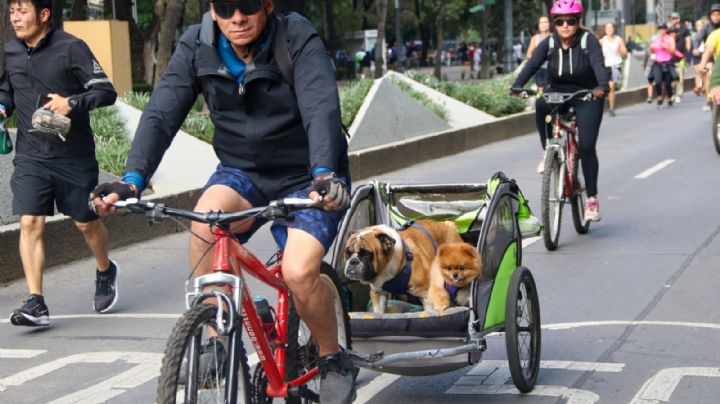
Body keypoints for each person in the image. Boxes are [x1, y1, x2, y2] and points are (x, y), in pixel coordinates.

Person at [89, 1, 356, 402]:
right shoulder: (198, 44)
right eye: (225, 7)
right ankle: (215, 339)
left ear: (267, 4)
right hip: (242, 170)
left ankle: (333, 357)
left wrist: (323, 173)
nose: (237, 18)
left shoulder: (294, 36)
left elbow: (320, 106)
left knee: (299, 272)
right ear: (213, 10)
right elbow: (161, 114)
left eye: (247, 5)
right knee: (205, 224)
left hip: (308, 175)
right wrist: (132, 181)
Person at [0, 0, 118, 327]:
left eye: (22, 11)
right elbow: (6, 92)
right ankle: (36, 303)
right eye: (12, 12)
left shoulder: (72, 48)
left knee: (85, 223)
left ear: (44, 14)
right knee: (29, 223)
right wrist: (1, 107)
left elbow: (106, 92)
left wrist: (73, 102)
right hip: (30, 156)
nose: (15, 18)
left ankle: (106, 270)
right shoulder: (10, 51)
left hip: (73, 156)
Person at [511, 0, 608, 222]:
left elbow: (598, 65)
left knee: (586, 145)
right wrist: (517, 85)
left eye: (570, 21)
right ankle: (548, 150)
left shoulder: (588, 41)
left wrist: (601, 87)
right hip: (558, 93)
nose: (565, 25)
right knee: (541, 103)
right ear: (554, 23)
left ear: (578, 22)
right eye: (560, 21)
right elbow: (532, 65)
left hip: (587, 95)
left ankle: (592, 198)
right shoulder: (549, 43)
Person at [600, 22, 627, 116]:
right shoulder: (602, 41)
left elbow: (625, 54)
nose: (609, 29)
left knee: (611, 86)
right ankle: (607, 105)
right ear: (605, 30)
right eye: (607, 28)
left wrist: (622, 51)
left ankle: (611, 108)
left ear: (614, 29)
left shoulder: (618, 39)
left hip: (615, 65)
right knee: (606, 88)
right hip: (605, 66)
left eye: (611, 27)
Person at [650, 23, 676, 108]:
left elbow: (673, 51)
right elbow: (653, 52)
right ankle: (660, 98)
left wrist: (666, 47)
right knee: (658, 81)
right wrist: (651, 49)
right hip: (658, 63)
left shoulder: (670, 38)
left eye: (663, 29)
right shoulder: (656, 39)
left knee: (667, 83)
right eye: (660, 29)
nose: (661, 30)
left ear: (666, 30)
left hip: (667, 63)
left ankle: (670, 97)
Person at [670, 12, 691, 103]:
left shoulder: (684, 29)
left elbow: (688, 42)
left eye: (675, 18)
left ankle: (679, 94)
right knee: (671, 77)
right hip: (670, 57)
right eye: (672, 18)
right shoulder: (669, 30)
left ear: (678, 19)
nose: (673, 20)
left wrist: (687, 55)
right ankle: (673, 93)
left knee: (680, 75)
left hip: (681, 57)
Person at [526, 16, 552, 90]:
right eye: (541, 22)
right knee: (541, 93)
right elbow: (528, 55)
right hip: (540, 70)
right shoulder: (535, 38)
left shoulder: (555, 37)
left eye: (545, 22)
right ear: (538, 25)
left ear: (549, 24)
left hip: (553, 70)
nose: (543, 24)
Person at [692, 19, 707, 96]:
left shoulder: (706, 35)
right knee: (698, 72)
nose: (699, 27)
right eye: (697, 26)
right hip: (697, 56)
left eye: (700, 25)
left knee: (704, 72)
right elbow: (694, 49)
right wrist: (695, 51)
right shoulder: (694, 36)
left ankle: (704, 87)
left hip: (705, 55)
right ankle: (698, 87)